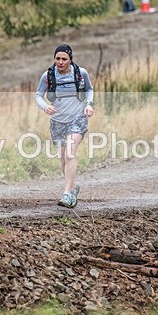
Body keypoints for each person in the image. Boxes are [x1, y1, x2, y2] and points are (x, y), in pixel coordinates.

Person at [35, 43, 95, 208]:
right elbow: (39, 95)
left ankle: (67, 194)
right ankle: (73, 188)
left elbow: (89, 89)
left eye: (64, 59)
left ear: (70, 59)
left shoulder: (80, 73)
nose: (60, 62)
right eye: (57, 58)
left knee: (70, 154)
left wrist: (89, 104)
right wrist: (44, 106)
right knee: (63, 159)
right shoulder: (47, 76)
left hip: (77, 119)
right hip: (57, 122)